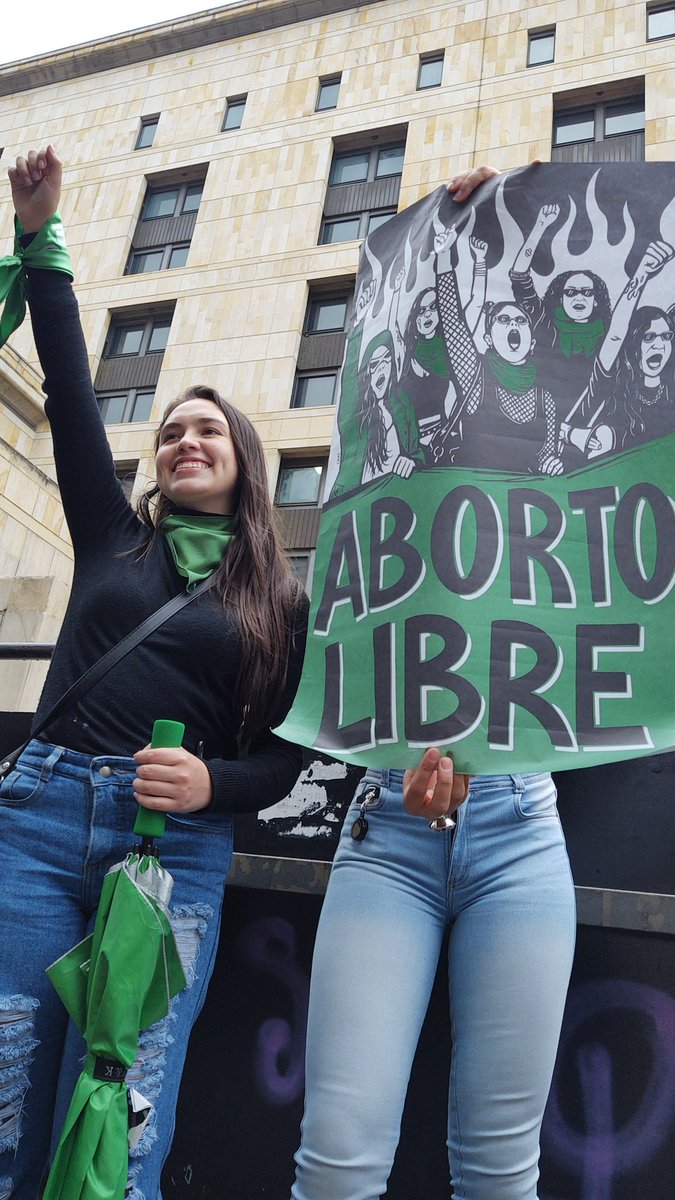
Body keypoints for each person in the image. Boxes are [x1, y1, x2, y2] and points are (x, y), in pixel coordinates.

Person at [0, 147, 307, 1200]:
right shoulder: (106, 538)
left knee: (123, 1120)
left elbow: (289, 760)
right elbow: (75, 388)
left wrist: (216, 784)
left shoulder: (280, 603)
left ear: (243, 463)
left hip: (172, 855)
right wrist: (41, 234)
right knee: (5, 1101)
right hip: (36, 826)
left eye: (208, 430)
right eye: (172, 430)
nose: (184, 438)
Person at [291, 167, 578, 1200]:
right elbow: (460, 330)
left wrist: (514, 227)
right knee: (338, 1166)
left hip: (521, 828)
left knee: (502, 1177)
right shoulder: (412, 454)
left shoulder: (559, 438)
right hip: (389, 833)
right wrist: (465, 242)